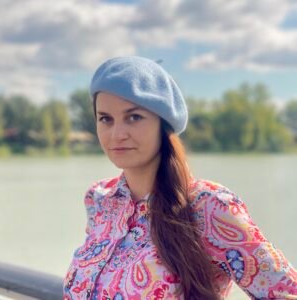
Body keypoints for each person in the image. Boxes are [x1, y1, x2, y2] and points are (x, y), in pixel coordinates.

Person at [63, 56, 297, 300]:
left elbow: (286, 293)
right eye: (105, 119)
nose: (117, 134)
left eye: (134, 117)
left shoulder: (209, 206)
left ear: (162, 125)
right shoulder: (99, 200)